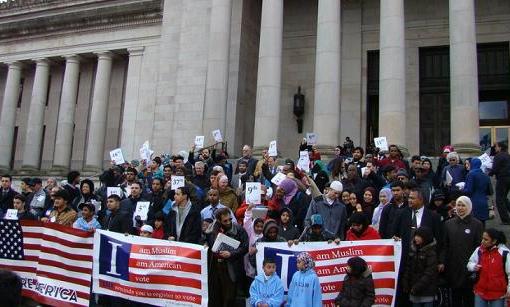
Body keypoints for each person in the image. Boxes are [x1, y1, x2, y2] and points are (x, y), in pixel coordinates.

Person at [441, 196, 483, 307]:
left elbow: (479, 247)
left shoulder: (477, 224)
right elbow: (445, 245)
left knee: (469, 298)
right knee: (455, 298)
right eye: (458, 205)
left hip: (470, 267)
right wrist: (443, 262)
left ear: (469, 207)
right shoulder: (448, 224)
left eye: (463, 205)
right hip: (453, 267)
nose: (460, 208)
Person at [206, 208, 249, 307]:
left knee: (229, 296)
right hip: (215, 267)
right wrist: (205, 244)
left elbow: (245, 247)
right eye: (225, 221)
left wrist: (231, 254)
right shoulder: (211, 230)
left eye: (230, 219)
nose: (228, 222)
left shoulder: (239, 229)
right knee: (216, 294)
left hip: (231, 267)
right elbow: (205, 240)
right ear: (218, 220)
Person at [467, 228, 510, 307]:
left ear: (494, 241)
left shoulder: (505, 253)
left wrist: (509, 289)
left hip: (498, 293)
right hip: (480, 291)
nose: (482, 241)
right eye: (482, 238)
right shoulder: (479, 250)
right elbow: (470, 263)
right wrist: (473, 266)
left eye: (486, 239)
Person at [402, 227, 438, 307]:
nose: (416, 238)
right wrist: (405, 283)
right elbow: (408, 268)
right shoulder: (413, 250)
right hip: (414, 291)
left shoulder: (431, 253)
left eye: (419, 236)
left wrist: (417, 287)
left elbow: (429, 273)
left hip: (427, 291)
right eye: (416, 236)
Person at [463, 158, 492, 225]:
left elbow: (469, 190)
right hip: (484, 202)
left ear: (472, 164)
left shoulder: (471, 174)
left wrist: (462, 189)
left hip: (473, 202)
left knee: (473, 225)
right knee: (482, 224)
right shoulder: (485, 175)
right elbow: (489, 191)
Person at [489, 141, 510, 224]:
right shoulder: (508, 155)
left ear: (500, 148)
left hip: (502, 179)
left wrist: (489, 173)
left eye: (496, 146)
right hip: (508, 179)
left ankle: (506, 220)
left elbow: (495, 169)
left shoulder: (498, 156)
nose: (495, 148)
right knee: (504, 198)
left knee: (499, 200)